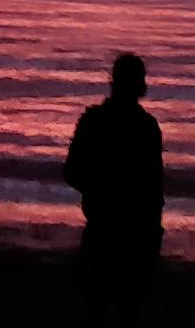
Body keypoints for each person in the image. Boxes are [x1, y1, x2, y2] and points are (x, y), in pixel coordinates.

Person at [65, 53, 164, 264]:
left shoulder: (94, 121)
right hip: (127, 227)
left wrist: (97, 190)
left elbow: (72, 172)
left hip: (110, 224)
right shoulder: (146, 126)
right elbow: (155, 185)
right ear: (140, 85)